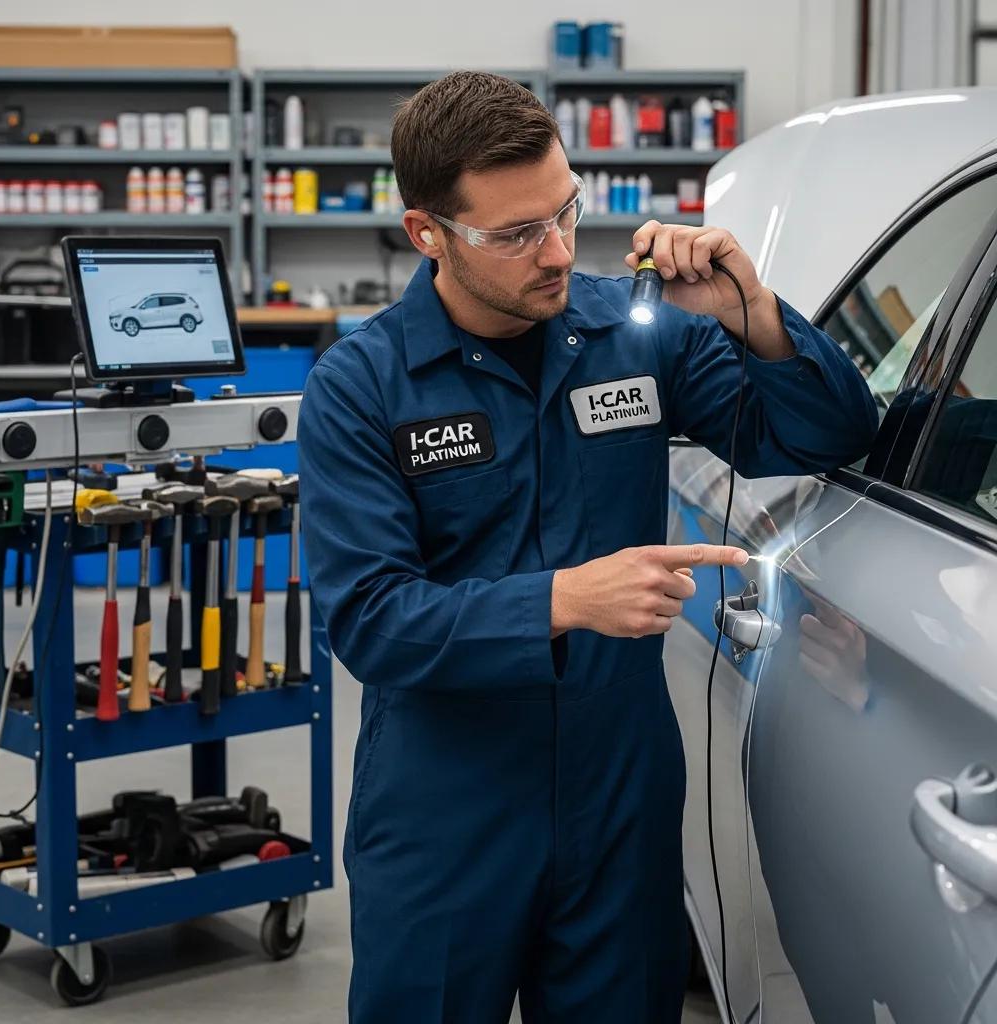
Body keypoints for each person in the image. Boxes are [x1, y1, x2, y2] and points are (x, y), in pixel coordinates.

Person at [298, 71, 877, 1024]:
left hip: (620, 791)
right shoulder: (363, 388)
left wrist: (751, 311)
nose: (558, 251)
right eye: (518, 233)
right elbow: (370, 621)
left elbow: (825, 434)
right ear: (428, 233)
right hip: (447, 802)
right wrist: (564, 599)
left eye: (565, 212)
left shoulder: (636, 336)